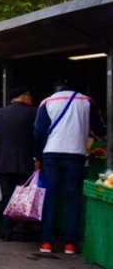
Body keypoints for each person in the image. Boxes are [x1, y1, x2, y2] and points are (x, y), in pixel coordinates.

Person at [34, 79, 105, 254]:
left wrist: (38, 156)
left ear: (55, 89)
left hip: (51, 153)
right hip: (76, 153)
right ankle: (70, 244)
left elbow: (39, 131)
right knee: (73, 197)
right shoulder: (86, 101)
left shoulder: (47, 102)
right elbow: (100, 128)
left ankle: (47, 242)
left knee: (51, 196)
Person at [0, 86, 37, 240]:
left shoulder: (0, 113)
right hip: (26, 161)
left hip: (4, 161)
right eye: (28, 95)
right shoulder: (33, 112)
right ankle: (21, 231)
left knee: (7, 196)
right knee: (23, 196)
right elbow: (39, 135)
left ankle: (6, 231)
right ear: (22, 97)